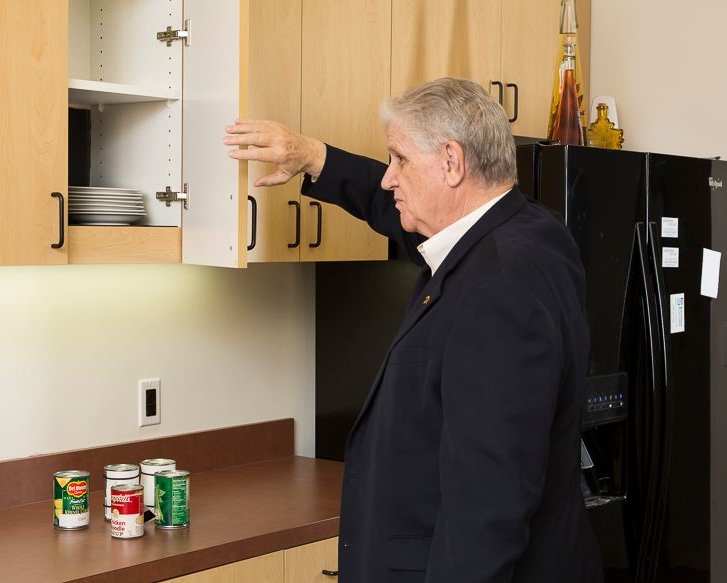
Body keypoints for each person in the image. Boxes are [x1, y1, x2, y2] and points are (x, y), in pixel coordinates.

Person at [224, 78, 603, 582]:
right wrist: (315, 157)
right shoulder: (525, 233)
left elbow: (488, 505)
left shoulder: (498, 286)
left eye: (399, 159)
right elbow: (395, 213)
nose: (388, 179)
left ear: (451, 162)